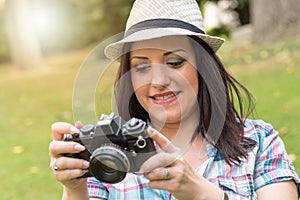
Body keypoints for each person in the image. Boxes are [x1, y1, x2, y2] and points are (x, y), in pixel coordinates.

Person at [49, 0, 300, 199]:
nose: (158, 80)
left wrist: (201, 194)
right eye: (142, 67)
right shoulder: (109, 146)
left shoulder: (259, 143)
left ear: (204, 67)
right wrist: (74, 190)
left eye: (174, 62)